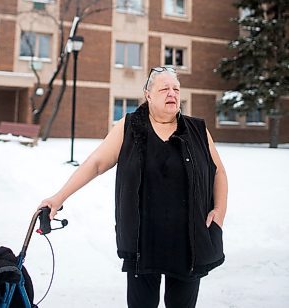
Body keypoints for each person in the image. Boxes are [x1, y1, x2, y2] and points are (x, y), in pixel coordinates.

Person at [39, 66, 228, 308]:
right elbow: (96, 163)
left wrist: (219, 212)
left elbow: (219, 171)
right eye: (164, 89)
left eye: (176, 89)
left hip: (188, 242)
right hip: (144, 241)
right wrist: (59, 197)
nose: (172, 93)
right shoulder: (130, 127)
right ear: (148, 95)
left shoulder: (198, 130)